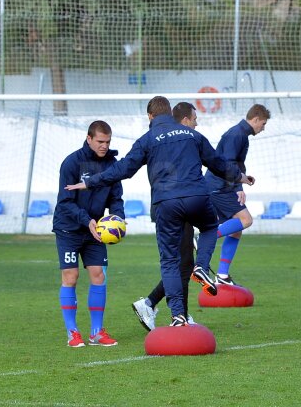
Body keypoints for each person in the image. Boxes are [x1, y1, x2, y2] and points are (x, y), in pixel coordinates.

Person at [70, 96, 252, 327]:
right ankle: (202, 268)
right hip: (197, 199)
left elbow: (123, 169)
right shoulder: (193, 136)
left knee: (170, 262)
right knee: (208, 229)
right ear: (172, 114)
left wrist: (90, 182)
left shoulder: (147, 140)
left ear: (150, 116)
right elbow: (217, 163)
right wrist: (240, 177)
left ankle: (177, 314)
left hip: (167, 206)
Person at [132, 102, 203, 330]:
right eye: (193, 119)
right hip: (174, 209)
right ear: (184, 120)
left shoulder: (163, 139)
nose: (196, 123)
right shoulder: (181, 140)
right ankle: (174, 313)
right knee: (180, 264)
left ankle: (155, 305)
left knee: (184, 264)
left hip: (175, 207)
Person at [55, 120, 125, 347]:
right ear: (89, 139)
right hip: (69, 228)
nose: (104, 146)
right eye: (100, 141)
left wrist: (117, 219)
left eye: (108, 142)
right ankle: (72, 332)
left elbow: (116, 198)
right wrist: (87, 221)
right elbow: (65, 202)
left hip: (95, 231)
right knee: (71, 277)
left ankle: (96, 332)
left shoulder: (112, 165)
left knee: (98, 275)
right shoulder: (72, 163)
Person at [204, 103, 271, 286]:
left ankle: (222, 275)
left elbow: (235, 166)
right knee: (246, 220)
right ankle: (205, 237)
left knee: (236, 229)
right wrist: (237, 187)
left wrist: (241, 185)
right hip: (218, 186)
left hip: (221, 185)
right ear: (255, 119)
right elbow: (227, 165)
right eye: (263, 124)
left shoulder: (241, 135)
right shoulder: (237, 134)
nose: (263, 128)